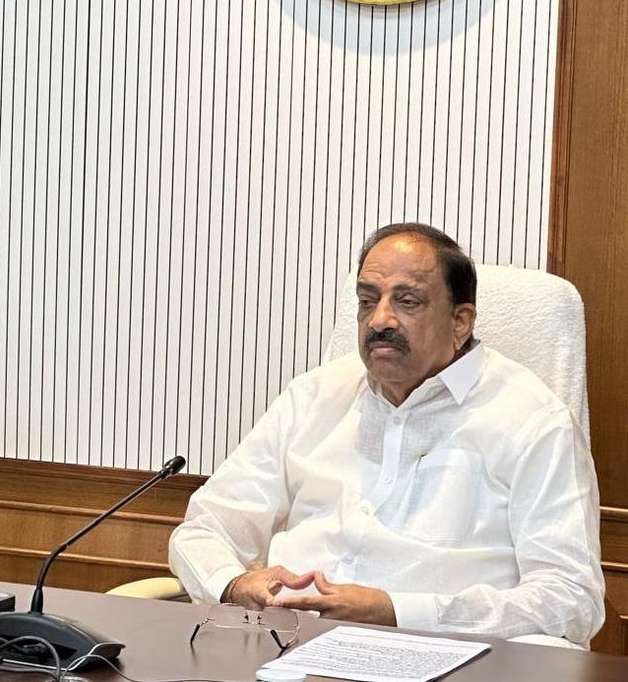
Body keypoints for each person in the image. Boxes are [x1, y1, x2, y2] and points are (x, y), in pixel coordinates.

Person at [169, 223, 604, 643]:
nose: (380, 319)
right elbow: (204, 529)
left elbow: (571, 599)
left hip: (445, 658)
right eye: (367, 299)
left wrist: (396, 611)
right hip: (287, 646)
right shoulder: (314, 396)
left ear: (460, 322)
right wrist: (235, 583)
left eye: (408, 301)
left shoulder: (534, 420)